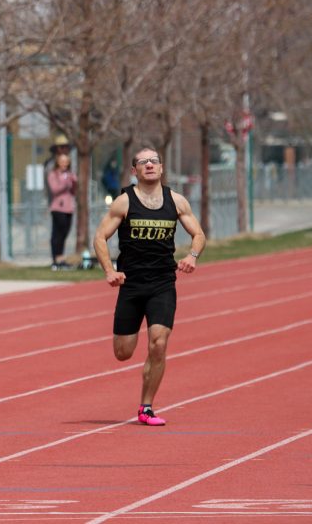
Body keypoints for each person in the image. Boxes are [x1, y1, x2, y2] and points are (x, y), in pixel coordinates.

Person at [93, 147, 206, 426]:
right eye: (143, 162)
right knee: (123, 352)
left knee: (158, 344)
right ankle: (144, 394)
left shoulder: (177, 201)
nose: (149, 165)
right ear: (135, 171)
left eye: (154, 161)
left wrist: (192, 256)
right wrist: (109, 271)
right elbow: (100, 236)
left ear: (162, 167)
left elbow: (198, 233)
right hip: (131, 285)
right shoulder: (124, 202)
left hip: (162, 284)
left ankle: (146, 407)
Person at [47, 154, 77, 270]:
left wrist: (74, 182)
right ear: (58, 162)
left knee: (65, 233)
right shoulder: (53, 174)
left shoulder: (69, 174)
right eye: (62, 161)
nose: (64, 163)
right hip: (58, 208)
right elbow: (55, 189)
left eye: (66, 161)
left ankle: (61, 258)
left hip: (69, 208)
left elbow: (73, 191)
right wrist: (66, 182)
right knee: (57, 234)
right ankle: (56, 259)